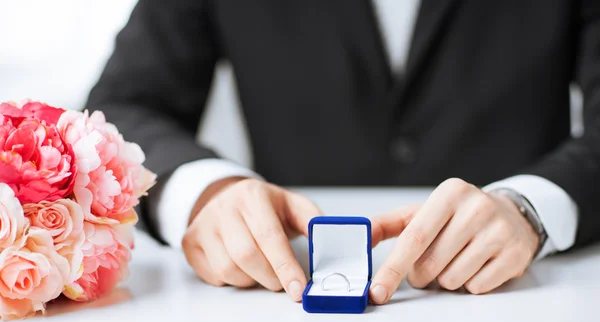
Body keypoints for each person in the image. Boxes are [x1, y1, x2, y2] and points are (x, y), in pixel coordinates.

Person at [86, 0, 600, 305]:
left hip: (525, 301)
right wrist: (203, 191)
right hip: (276, 311)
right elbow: (124, 104)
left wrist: (532, 209)